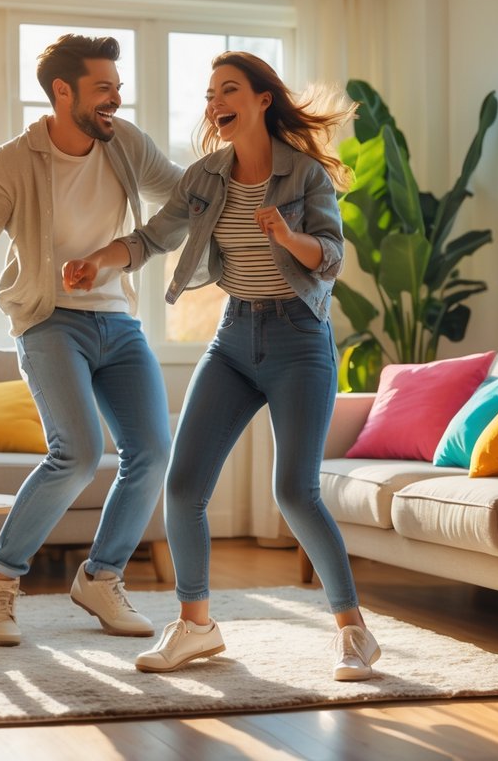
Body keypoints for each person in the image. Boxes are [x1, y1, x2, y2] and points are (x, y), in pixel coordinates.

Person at [63, 52, 380, 681]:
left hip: (299, 341)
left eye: (228, 91)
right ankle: (197, 627)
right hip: (235, 338)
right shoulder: (206, 177)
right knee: (182, 487)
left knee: (293, 490)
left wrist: (288, 238)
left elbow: (332, 256)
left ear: (262, 100)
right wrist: (100, 259)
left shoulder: (306, 175)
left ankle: (355, 633)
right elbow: (155, 235)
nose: (215, 104)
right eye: (210, 95)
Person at [0, 33, 182, 647]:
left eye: (118, 89)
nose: (115, 101)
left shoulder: (125, 144)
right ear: (62, 91)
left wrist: (123, 252)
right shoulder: (14, 160)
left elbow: (186, 199)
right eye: (104, 89)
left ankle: (101, 577)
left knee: (152, 450)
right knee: (74, 452)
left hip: (117, 322)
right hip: (50, 322)